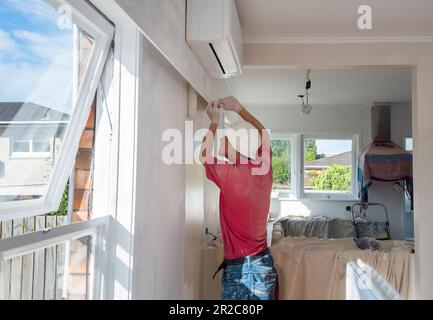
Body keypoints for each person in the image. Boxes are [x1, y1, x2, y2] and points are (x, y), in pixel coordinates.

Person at [200, 96, 277, 300]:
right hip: (262, 265)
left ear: (236, 147)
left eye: (226, 139)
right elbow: (264, 134)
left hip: (243, 272)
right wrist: (239, 108)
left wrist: (214, 121)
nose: (222, 142)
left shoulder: (231, 175)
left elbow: (203, 156)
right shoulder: (264, 169)